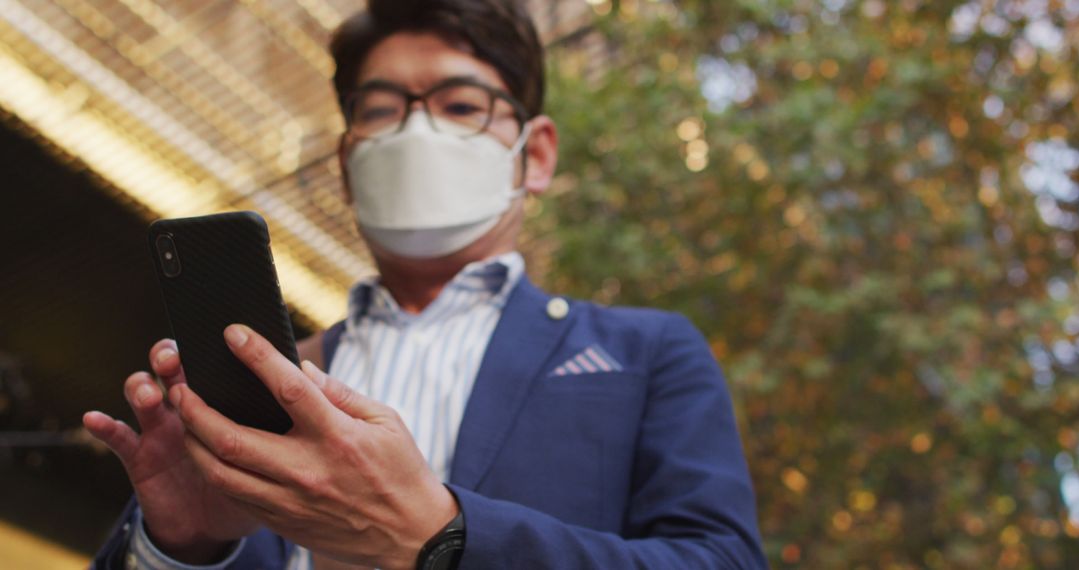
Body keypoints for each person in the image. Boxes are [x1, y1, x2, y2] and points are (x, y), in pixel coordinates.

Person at [83, 1, 767, 568]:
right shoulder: (278, 373)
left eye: (461, 104)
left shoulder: (645, 353)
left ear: (535, 154)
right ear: (349, 165)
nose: (416, 130)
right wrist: (181, 544)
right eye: (380, 110)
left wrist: (440, 534)